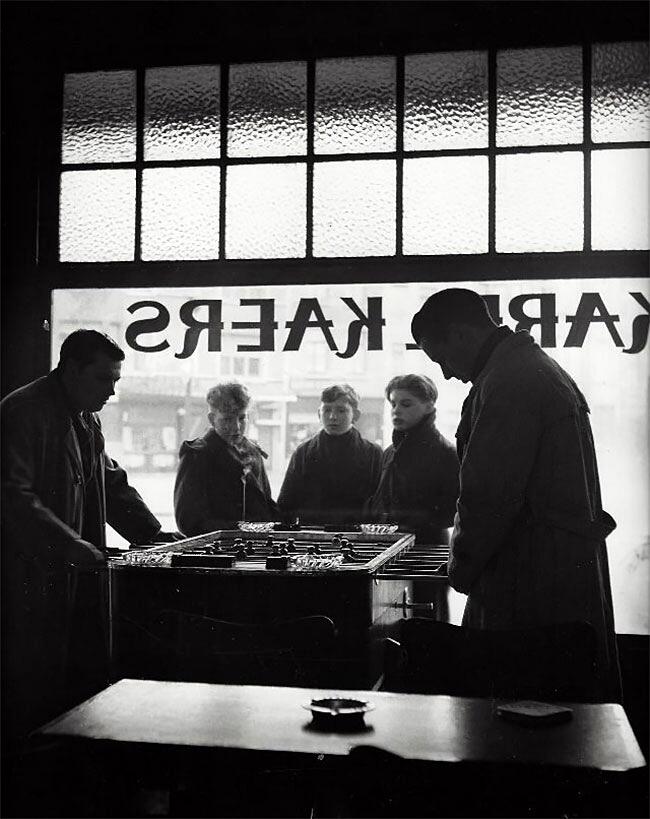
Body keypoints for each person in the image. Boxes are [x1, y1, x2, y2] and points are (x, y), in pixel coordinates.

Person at [411, 288, 622, 700]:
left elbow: (487, 497)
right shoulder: (527, 369)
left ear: (458, 335)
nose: (448, 374)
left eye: (442, 360)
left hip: (529, 580)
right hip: (554, 570)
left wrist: (461, 568)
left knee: (518, 712)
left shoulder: (509, 383)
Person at [1, 330, 178, 746]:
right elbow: (12, 494)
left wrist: (153, 535)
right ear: (70, 369)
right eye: (104, 379)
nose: (112, 391)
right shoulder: (22, 411)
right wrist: (67, 544)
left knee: (73, 683)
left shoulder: (86, 416)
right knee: (35, 688)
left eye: (116, 381)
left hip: (73, 573)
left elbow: (111, 484)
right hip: (30, 578)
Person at [174, 382, 278, 535]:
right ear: (211, 419)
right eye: (227, 419)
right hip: (216, 552)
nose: (236, 427)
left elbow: (266, 505)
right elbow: (189, 522)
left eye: (242, 418)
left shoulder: (254, 452)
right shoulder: (197, 455)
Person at [367, 374, 459, 544]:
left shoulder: (446, 453)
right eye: (393, 404)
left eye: (406, 404)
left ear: (429, 406)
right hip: (385, 546)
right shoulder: (389, 452)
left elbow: (452, 512)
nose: (396, 410)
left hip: (426, 548)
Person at [278, 384, 382, 527]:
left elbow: (379, 507)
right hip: (312, 538)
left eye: (341, 410)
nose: (333, 417)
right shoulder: (303, 453)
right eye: (327, 410)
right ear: (318, 414)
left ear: (355, 415)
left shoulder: (373, 454)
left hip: (358, 540)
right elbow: (286, 505)